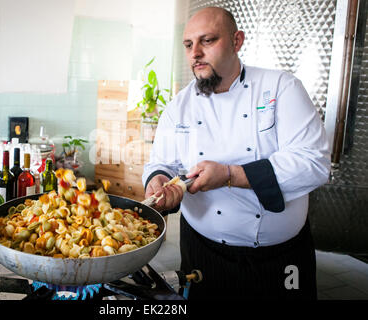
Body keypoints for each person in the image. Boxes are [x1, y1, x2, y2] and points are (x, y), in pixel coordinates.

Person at [142, 6, 331, 300]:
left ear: (237, 41)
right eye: (189, 45)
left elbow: (314, 163)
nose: (195, 53)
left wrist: (230, 174)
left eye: (208, 40)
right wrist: (158, 180)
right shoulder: (179, 105)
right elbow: (163, 162)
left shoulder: (281, 88)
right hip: (202, 251)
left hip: (278, 258)